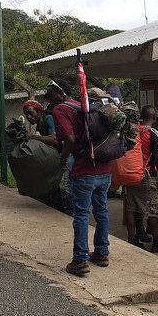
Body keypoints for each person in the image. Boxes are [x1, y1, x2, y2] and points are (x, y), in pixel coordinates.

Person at [47, 79, 111, 276]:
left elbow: (70, 139)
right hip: (105, 167)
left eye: (49, 94)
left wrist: (62, 159)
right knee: (102, 211)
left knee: (82, 214)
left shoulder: (60, 110)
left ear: (58, 93)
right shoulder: (82, 105)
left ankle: (80, 260)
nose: (48, 99)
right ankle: (102, 253)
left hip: (85, 170)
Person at [123, 105, 158, 252]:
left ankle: (132, 238)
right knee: (152, 209)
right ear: (154, 117)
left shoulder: (132, 131)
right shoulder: (153, 133)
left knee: (130, 207)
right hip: (146, 175)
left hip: (130, 174)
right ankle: (157, 241)